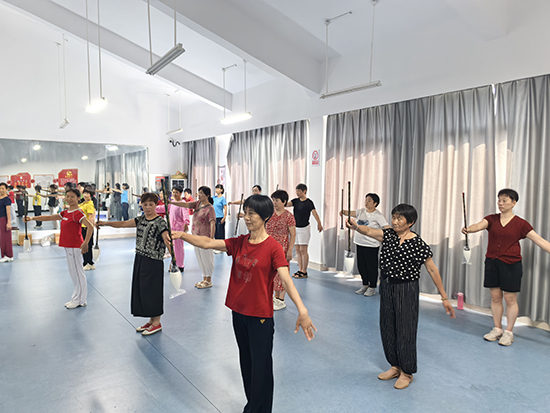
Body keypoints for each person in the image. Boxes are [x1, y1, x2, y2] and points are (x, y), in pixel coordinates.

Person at [171, 194, 316, 412]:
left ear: (265, 216)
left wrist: (302, 310)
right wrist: (182, 235)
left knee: (261, 368)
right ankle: (252, 406)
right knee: (247, 364)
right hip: (238, 313)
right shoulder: (240, 242)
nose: (246, 217)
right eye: (245, 212)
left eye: (252, 214)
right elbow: (208, 242)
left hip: (260, 317)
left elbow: (286, 280)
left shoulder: (273, 247)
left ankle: (260, 409)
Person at [347, 203, 455, 389]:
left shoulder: (418, 244)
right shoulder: (389, 235)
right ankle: (395, 366)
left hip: (406, 289)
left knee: (405, 329)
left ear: (410, 222)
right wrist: (356, 227)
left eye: (399, 218)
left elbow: (432, 269)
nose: (395, 221)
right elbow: (371, 231)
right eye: (394, 217)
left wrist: (444, 297)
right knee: (387, 326)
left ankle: (407, 372)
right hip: (387, 286)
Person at [462, 188, 550, 346]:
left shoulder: (521, 224)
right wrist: (469, 229)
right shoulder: (491, 219)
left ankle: (508, 332)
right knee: (495, 297)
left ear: (514, 203)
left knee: (510, 299)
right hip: (492, 263)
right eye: (499, 200)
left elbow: (540, 240)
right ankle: (497, 329)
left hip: (511, 265)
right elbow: (478, 225)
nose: (500, 203)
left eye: (504, 200)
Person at [98, 192, 171, 335]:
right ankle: (151, 320)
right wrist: (106, 223)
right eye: (145, 204)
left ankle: (157, 322)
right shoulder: (141, 219)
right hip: (140, 258)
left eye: (151, 204)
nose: (148, 207)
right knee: (143, 289)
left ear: (156, 205)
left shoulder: (160, 222)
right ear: (141, 205)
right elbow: (123, 224)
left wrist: (174, 257)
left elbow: (166, 238)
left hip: (154, 261)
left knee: (153, 291)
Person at [26, 188, 93, 308]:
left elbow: (90, 226)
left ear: (78, 198)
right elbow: (50, 217)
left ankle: (80, 300)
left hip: (75, 246)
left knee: (78, 273)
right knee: (73, 273)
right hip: (68, 246)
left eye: (72, 197)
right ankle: (78, 298)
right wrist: (33, 218)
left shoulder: (78, 213)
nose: (69, 199)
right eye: (67, 196)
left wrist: (86, 242)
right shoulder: (66, 212)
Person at [340, 193, 390, 296]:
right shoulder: (361, 211)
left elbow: (386, 227)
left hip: (371, 245)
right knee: (361, 266)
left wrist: (394, 235)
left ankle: (372, 287)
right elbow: (349, 212)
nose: (366, 202)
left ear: (375, 203)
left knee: (371, 267)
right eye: (366, 200)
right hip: (359, 243)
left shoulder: (378, 215)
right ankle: (365, 285)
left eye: (369, 200)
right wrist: (343, 211)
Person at [170, 186, 216, 288]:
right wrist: (171, 202)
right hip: (195, 236)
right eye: (198, 193)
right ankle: (204, 277)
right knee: (200, 257)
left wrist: (211, 239)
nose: (199, 195)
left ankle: (209, 280)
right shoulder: (197, 204)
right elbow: (185, 204)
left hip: (205, 237)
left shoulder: (210, 208)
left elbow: (212, 223)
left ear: (207, 195)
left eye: (201, 193)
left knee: (207, 258)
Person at [266, 190, 296, 311]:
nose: (274, 202)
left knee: (282, 273)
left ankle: (281, 299)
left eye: (277, 200)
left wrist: (290, 250)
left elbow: (293, 234)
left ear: (284, 202)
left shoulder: (289, 216)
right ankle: (275, 297)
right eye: (273, 200)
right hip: (269, 247)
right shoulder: (270, 214)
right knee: (271, 273)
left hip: (282, 248)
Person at [286, 184, 323, 278]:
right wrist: (279, 199)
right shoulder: (295, 201)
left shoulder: (309, 202)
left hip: (304, 228)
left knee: (303, 250)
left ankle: (304, 271)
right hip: (295, 228)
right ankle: (300, 269)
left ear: (304, 191)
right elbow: (285, 204)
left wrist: (319, 223)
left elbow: (314, 213)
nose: (297, 193)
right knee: (297, 249)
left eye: (299, 191)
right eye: (296, 191)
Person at [156, 186, 189, 272]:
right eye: (173, 192)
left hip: (179, 228)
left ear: (181, 193)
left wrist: (186, 223)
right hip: (171, 228)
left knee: (179, 248)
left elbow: (185, 214)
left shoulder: (183, 203)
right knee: (172, 247)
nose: (174, 194)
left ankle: (180, 265)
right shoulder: (172, 202)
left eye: (176, 192)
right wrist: (153, 208)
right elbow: (164, 208)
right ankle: (174, 263)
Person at [80, 188, 96, 271]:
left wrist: (89, 228)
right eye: (84, 193)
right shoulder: (83, 203)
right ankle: (90, 263)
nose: (85, 195)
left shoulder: (89, 204)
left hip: (86, 228)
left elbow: (90, 217)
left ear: (91, 195)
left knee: (87, 246)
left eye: (87, 193)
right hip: (82, 227)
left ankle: (87, 263)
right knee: (86, 245)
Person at [0, 183, 14, 263]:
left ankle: (9, 255)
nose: (1, 190)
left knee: (6, 238)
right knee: (1, 238)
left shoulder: (7, 199)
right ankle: (4, 255)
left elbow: (8, 212)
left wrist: (9, 222)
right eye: (0, 188)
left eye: (3, 188)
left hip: (4, 219)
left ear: (6, 189)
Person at [213, 184, 227, 253]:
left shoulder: (223, 199)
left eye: (218, 188)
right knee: (215, 232)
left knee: (220, 233)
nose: (216, 190)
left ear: (221, 190)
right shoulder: (213, 198)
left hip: (220, 217)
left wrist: (224, 217)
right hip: (214, 218)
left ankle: (221, 248)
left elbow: (225, 208)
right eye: (216, 188)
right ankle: (216, 247)